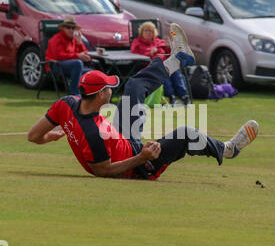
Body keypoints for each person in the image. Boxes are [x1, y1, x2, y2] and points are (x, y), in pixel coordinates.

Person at [28, 23, 259, 180]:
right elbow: (102, 171)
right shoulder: (92, 133)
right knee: (186, 133)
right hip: (137, 165)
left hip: (121, 138)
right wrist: (143, 157)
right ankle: (228, 149)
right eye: (109, 88)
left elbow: (33, 136)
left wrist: (54, 134)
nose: (111, 90)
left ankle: (177, 59)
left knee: (133, 86)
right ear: (99, 96)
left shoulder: (66, 104)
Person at [131, 21, 190, 106]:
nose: (148, 33)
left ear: (154, 32)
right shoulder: (137, 42)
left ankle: (184, 96)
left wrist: (169, 47)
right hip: (149, 66)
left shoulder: (158, 41)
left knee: (175, 71)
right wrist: (149, 53)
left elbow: (168, 54)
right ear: (141, 32)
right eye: (146, 30)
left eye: (150, 31)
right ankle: (171, 96)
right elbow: (134, 54)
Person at [45, 16, 92, 96]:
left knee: (91, 72)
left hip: (72, 67)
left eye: (73, 28)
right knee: (78, 63)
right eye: (68, 27)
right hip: (55, 66)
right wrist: (77, 55)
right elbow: (59, 56)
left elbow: (84, 54)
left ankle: (89, 96)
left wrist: (80, 43)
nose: (71, 30)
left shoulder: (74, 39)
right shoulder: (56, 39)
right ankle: (74, 93)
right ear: (63, 28)